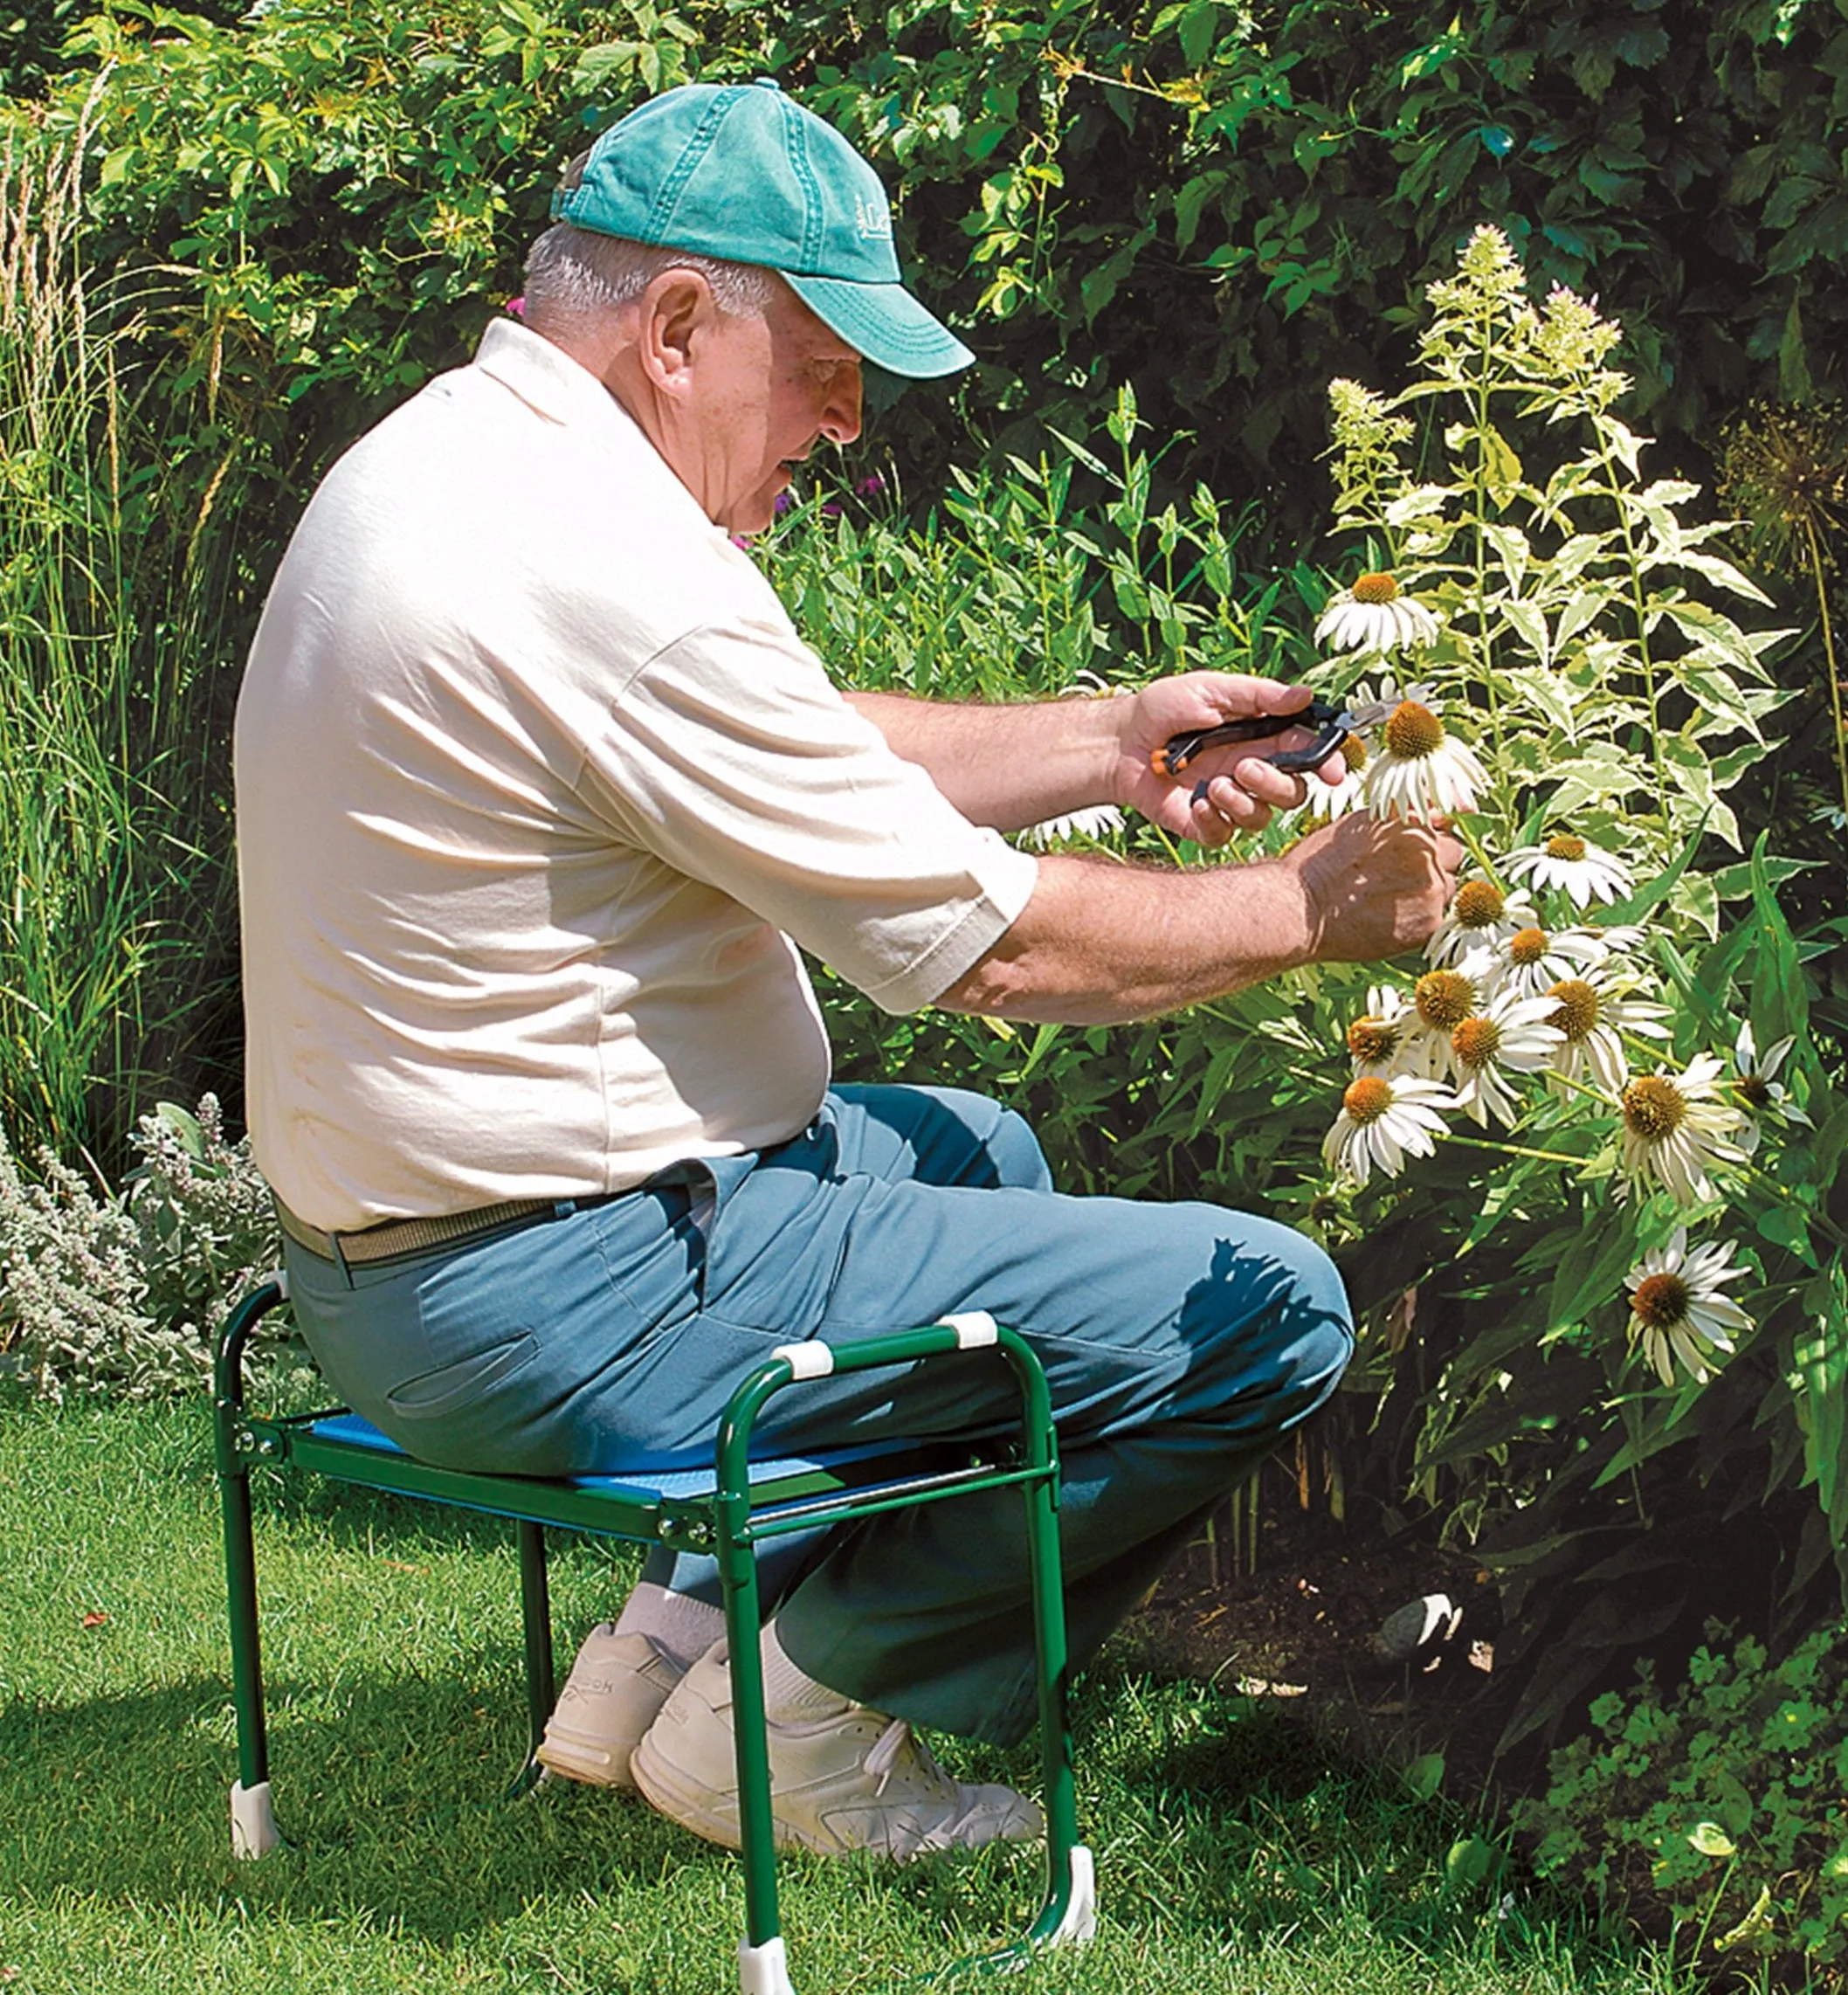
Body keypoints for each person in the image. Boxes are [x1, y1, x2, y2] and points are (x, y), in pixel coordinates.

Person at [233, 78, 1462, 1864]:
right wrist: (1306, 907)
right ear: (673, 325)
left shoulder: (442, 461)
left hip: (389, 1268)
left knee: (970, 1153)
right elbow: (999, 947)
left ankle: (653, 1656)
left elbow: (784, 745)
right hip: (553, 1293)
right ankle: (794, 1725)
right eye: (819, 361)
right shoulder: (608, 570)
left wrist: (1115, 740)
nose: (844, 417)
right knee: (1267, 1310)